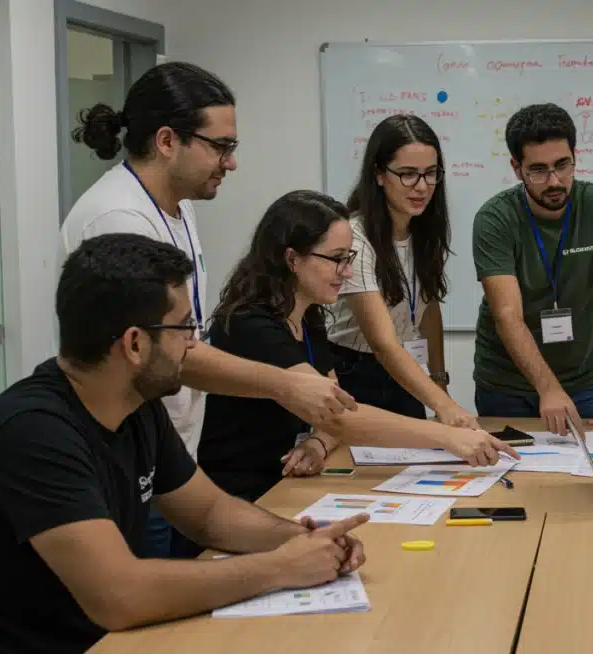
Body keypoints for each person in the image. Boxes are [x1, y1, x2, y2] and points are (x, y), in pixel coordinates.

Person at [0, 234, 370, 654]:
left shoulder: (135, 406)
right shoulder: (32, 434)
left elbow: (210, 515)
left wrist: (306, 541)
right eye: (183, 327)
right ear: (135, 344)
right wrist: (281, 567)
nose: (193, 343)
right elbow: (120, 596)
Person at [61, 62, 353, 558]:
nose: (231, 162)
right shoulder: (119, 215)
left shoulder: (177, 207)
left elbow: (183, 338)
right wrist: (284, 385)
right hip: (124, 453)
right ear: (167, 140)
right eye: (221, 146)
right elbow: (163, 350)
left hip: (169, 450)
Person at [199, 190, 519, 503]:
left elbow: (335, 410)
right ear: (292, 259)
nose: (348, 271)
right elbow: (338, 417)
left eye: (349, 258)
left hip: (286, 484)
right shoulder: (250, 325)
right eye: (337, 259)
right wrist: (447, 436)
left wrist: (318, 445)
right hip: (242, 495)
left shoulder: (308, 316)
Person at [472, 102, 593, 434]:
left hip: (580, 382)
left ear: (574, 156)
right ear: (517, 168)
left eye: (563, 165)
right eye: (538, 170)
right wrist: (547, 389)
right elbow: (507, 315)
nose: (554, 181)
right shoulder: (495, 218)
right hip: (505, 386)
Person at [326, 115, 477, 428]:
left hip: (407, 367)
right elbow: (383, 343)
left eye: (430, 174)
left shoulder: (423, 231)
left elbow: (429, 307)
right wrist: (446, 407)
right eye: (408, 174)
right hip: (357, 372)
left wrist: (439, 382)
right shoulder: (355, 239)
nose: (422, 187)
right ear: (379, 174)